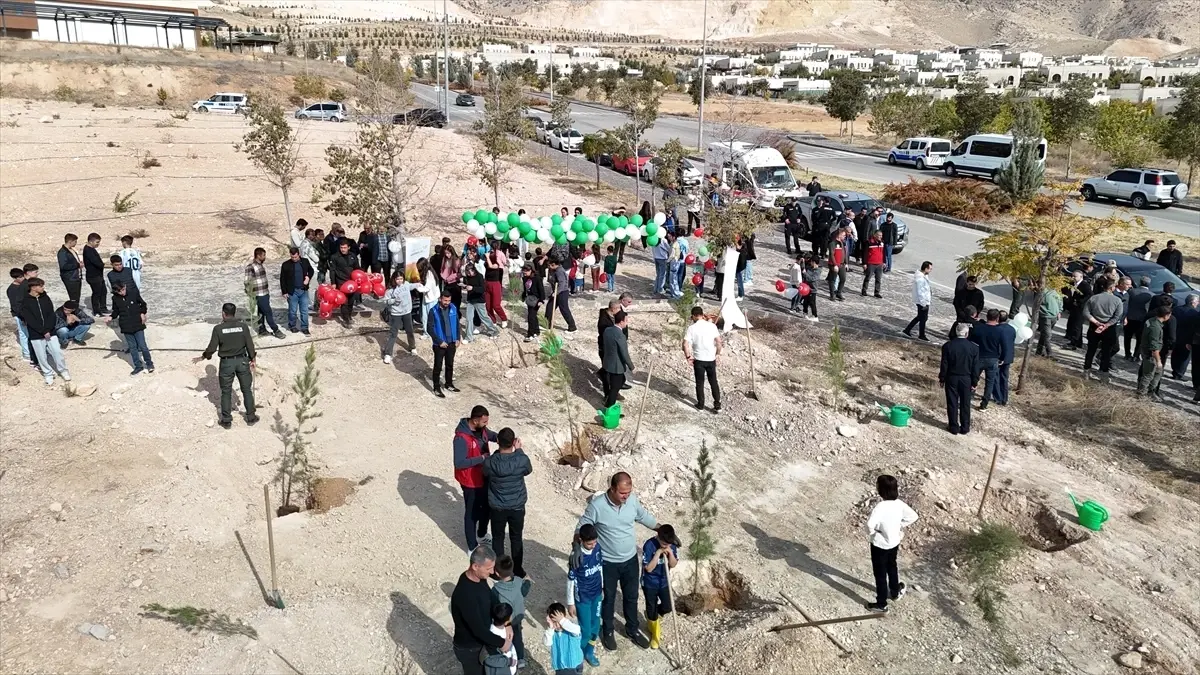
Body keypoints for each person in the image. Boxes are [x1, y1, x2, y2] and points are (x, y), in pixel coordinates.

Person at [574, 472, 658, 651]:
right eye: (622, 493)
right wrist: (576, 548)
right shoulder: (597, 506)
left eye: (628, 492)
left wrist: (663, 529)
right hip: (608, 563)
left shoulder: (632, 501)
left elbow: (643, 516)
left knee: (631, 596)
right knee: (608, 598)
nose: (625, 496)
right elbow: (582, 525)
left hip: (630, 560)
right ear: (612, 489)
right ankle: (609, 631)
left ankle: (632, 629)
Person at [451, 546, 511, 675]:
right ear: (475, 566)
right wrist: (502, 643)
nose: (492, 572)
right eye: (489, 568)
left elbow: (492, 599)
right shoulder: (465, 595)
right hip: (470, 648)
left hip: (482, 641)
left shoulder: (479, 578)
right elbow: (478, 629)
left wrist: (506, 622)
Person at [195, 303, 257, 429]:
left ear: (223, 313)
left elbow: (212, 348)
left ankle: (226, 420)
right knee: (246, 390)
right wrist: (252, 359)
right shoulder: (243, 327)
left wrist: (203, 356)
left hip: (227, 363)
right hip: (242, 361)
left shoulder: (218, 329)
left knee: (226, 392)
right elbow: (250, 345)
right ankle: (251, 417)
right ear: (234, 313)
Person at [864, 474, 918, 613]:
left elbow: (870, 524)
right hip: (894, 542)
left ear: (881, 489)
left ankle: (881, 604)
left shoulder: (880, 507)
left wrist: (874, 533)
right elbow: (913, 516)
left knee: (880, 574)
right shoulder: (899, 504)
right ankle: (895, 592)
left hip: (879, 545)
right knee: (892, 566)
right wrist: (900, 525)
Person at [484, 428, 532, 579]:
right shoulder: (521, 459)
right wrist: (518, 451)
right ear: (513, 442)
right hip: (517, 506)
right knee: (516, 537)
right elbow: (528, 470)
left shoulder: (490, 462)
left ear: (497, 441)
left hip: (497, 507)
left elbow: (485, 474)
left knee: (498, 537)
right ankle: (517, 569)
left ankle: (498, 572)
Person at [454, 405, 498, 551]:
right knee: (471, 513)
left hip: (484, 476)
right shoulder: (461, 438)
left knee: (486, 507)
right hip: (470, 482)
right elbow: (459, 463)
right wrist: (481, 458)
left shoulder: (482, 429)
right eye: (484, 422)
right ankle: (472, 547)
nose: (486, 425)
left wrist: (504, 438)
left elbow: (490, 435)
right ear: (475, 420)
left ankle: (481, 533)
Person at [20, 278, 71, 386]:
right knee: (41, 355)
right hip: (36, 333)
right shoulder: (25, 301)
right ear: (33, 287)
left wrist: (48, 329)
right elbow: (29, 319)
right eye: (41, 286)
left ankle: (63, 370)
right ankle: (48, 374)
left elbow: (51, 314)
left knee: (57, 351)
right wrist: (42, 331)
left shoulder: (45, 298)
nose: (43, 288)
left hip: (50, 331)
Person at [566, 524, 604, 669]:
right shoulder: (576, 557)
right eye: (590, 544)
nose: (593, 546)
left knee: (595, 627)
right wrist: (570, 603)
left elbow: (600, 567)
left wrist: (602, 587)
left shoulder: (598, 548)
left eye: (595, 542)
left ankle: (589, 652)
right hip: (583, 598)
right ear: (581, 540)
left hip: (596, 594)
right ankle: (577, 656)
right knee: (585, 631)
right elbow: (570, 581)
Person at [640, 524, 679, 650]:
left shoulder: (670, 546)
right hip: (650, 582)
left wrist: (670, 553)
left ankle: (655, 615)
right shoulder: (649, 545)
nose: (665, 546)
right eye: (663, 543)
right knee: (651, 608)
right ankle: (655, 634)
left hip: (664, 581)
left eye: (668, 543)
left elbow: (673, 564)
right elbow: (649, 569)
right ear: (658, 536)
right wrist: (657, 554)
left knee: (668, 606)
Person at [490, 556, 531, 670]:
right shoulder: (518, 582)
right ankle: (521, 658)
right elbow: (525, 590)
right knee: (517, 636)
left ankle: (508, 658)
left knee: (506, 637)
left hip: (505, 620)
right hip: (518, 616)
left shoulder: (496, 589)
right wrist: (527, 580)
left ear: (497, 573)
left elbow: (494, 606)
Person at [939, 322, 980, 435]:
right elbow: (975, 367)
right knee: (965, 403)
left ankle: (953, 427)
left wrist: (942, 378)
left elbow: (944, 364)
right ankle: (965, 427)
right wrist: (975, 381)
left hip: (951, 377)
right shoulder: (974, 348)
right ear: (967, 333)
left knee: (952, 402)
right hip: (966, 378)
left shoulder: (948, 346)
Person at [108, 281, 155, 375]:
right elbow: (116, 311)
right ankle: (138, 366)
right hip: (126, 325)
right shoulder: (115, 298)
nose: (122, 292)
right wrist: (111, 317)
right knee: (133, 348)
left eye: (123, 289)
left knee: (143, 346)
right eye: (120, 291)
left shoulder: (134, 293)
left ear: (125, 286)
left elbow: (143, 304)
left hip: (137, 324)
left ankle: (149, 364)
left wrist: (142, 313)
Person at [1081, 277, 1123, 382]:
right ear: (1112, 288)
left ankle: (1086, 371)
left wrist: (1096, 322)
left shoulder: (1094, 298)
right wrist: (1106, 325)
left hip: (1094, 327)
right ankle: (1103, 374)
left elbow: (1086, 312)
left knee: (1091, 350)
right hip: (1109, 329)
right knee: (1106, 352)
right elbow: (1117, 316)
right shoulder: (1117, 300)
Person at [683, 306, 722, 412]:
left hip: (699, 360)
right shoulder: (712, 326)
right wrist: (718, 354)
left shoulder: (692, 328)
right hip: (711, 359)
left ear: (694, 316)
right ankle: (717, 405)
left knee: (700, 383)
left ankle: (700, 405)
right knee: (713, 382)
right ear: (702, 314)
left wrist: (688, 357)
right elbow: (719, 342)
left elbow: (685, 344)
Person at [969, 309, 1005, 410]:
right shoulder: (999, 331)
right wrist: (1001, 358)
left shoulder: (979, 328)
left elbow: (971, 342)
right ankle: (984, 405)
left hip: (979, 357)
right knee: (989, 383)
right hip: (993, 359)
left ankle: (967, 399)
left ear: (987, 316)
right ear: (997, 318)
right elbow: (1003, 346)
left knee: (973, 378)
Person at [245, 248, 285, 339]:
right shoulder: (251, 267)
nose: (265, 257)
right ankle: (276, 330)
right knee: (268, 312)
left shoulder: (260, 265)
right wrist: (250, 293)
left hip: (265, 293)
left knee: (261, 312)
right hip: (259, 294)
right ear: (258, 256)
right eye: (263, 255)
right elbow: (247, 282)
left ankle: (262, 330)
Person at [428, 291, 462, 398]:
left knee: (449, 364)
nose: (447, 302)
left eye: (449, 300)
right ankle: (436, 387)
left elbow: (457, 324)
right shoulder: (433, 311)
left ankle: (448, 384)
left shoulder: (453, 308)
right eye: (445, 300)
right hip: (440, 344)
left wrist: (457, 338)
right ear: (440, 299)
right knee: (438, 366)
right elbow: (429, 328)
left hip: (451, 342)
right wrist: (439, 341)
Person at [462, 254, 500, 343]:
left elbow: (482, 289)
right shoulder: (467, 277)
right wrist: (464, 286)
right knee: (468, 319)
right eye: (466, 272)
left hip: (479, 301)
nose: (468, 274)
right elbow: (467, 285)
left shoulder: (479, 277)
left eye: (469, 272)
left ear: (473, 270)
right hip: (470, 300)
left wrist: (473, 288)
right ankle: (469, 337)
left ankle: (494, 331)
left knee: (484, 317)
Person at [1137, 305, 1172, 401]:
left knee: (1157, 373)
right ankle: (1142, 394)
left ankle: (1150, 392)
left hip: (1146, 351)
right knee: (1148, 375)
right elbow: (1154, 348)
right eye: (1169, 315)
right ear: (1165, 315)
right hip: (1150, 355)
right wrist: (1159, 361)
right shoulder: (1155, 327)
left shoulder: (1151, 320)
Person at [382, 270, 417, 362]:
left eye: (401, 278)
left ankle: (412, 347)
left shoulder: (406, 284)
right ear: (394, 279)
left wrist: (418, 285)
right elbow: (385, 301)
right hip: (396, 313)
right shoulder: (390, 290)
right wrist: (393, 301)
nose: (400, 281)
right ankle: (388, 354)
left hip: (407, 312)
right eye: (398, 279)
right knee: (393, 333)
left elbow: (411, 286)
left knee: (410, 331)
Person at [601, 311, 633, 409]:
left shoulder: (607, 330)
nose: (627, 323)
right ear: (621, 322)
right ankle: (609, 408)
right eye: (626, 321)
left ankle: (608, 399)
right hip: (616, 366)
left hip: (607, 362)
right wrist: (631, 366)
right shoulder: (620, 335)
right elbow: (624, 353)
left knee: (619, 381)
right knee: (615, 388)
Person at [280, 246, 314, 336]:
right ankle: (292, 326)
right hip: (292, 291)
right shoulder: (286, 265)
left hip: (303, 290)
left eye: (295, 257)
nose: (294, 259)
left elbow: (311, 270)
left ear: (299, 254)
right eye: (292, 257)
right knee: (292, 310)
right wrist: (284, 291)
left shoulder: (305, 261)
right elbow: (282, 279)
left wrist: (308, 277)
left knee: (304, 311)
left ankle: (305, 328)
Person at [544, 603, 584, 675]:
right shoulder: (552, 633)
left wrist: (562, 621)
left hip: (573, 664)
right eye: (554, 622)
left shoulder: (571, 629)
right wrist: (550, 628)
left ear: (564, 617)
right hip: (562, 666)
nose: (557, 624)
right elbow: (547, 643)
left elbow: (577, 630)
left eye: (559, 621)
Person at [328, 239, 360, 327]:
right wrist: (333, 282)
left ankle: (349, 316)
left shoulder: (353, 256)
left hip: (352, 282)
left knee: (351, 301)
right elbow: (332, 270)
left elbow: (357, 268)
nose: (343, 249)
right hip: (341, 282)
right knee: (344, 302)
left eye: (345, 248)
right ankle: (346, 320)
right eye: (341, 247)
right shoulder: (335, 257)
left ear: (348, 248)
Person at [8, 268, 33, 365]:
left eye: (22, 276)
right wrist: (22, 317)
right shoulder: (11, 290)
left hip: (26, 313)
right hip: (19, 315)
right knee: (23, 334)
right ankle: (26, 354)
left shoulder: (24, 285)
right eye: (20, 277)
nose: (23, 278)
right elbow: (15, 306)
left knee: (29, 333)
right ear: (15, 278)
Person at [1124, 276, 1153, 360]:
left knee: (1127, 337)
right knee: (1140, 339)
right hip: (1142, 319)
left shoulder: (1132, 291)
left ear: (1140, 282)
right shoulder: (1151, 295)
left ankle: (1127, 354)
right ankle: (1136, 355)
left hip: (1130, 317)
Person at [1171, 294, 1199, 380]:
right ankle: (1179, 373)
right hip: (1187, 337)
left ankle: (1175, 371)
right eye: (1197, 302)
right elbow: (1194, 328)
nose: (1198, 304)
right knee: (1184, 357)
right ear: (1192, 302)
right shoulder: (1195, 313)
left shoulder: (1177, 309)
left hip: (1176, 334)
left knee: (1175, 354)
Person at [1062, 270, 1092, 350]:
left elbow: (1089, 295)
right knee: (1073, 324)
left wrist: (1080, 302)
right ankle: (1078, 342)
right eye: (1073, 276)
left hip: (1080, 308)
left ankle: (1074, 342)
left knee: (1077, 326)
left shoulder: (1085, 285)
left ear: (1081, 277)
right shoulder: (1072, 284)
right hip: (1073, 307)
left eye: (1075, 276)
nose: (1073, 278)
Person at [903, 261, 933, 341]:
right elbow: (920, 292)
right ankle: (921, 334)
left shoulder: (924, 276)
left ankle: (908, 330)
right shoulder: (920, 278)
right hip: (922, 302)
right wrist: (924, 304)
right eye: (930, 269)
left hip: (924, 301)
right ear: (926, 268)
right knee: (922, 318)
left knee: (921, 317)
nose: (931, 270)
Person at [545, 259, 577, 333]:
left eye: (549, 265)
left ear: (554, 264)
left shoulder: (559, 271)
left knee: (564, 309)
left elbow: (562, 284)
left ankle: (572, 327)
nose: (548, 266)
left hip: (562, 292)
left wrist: (556, 293)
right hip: (556, 292)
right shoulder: (554, 270)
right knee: (550, 307)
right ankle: (547, 324)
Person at [487, 603, 519, 675]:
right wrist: (512, 662)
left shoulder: (489, 630)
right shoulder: (500, 635)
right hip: (507, 669)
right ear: (508, 619)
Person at [82, 233, 108, 316]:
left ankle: (103, 308)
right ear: (91, 241)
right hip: (93, 276)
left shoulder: (92, 249)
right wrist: (109, 265)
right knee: (97, 293)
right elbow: (97, 263)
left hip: (98, 275)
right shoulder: (88, 250)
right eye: (97, 242)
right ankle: (96, 311)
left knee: (103, 291)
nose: (98, 244)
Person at [519, 263, 546, 343]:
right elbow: (525, 289)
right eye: (524, 271)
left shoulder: (537, 278)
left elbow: (541, 290)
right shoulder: (524, 278)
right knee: (533, 316)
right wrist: (523, 296)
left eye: (527, 271)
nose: (525, 273)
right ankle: (536, 331)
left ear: (531, 271)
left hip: (536, 299)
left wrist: (541, 300)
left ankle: (530, 334)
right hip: (529, 299)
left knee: (531, 317)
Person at [995, 311, 1016, 405]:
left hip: (999, 356)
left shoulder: (997, 329)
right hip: (1008, 357)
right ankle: (1005, 398)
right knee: (1004, 378)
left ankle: (998, 397)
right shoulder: (1012, 329)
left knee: (996, 377)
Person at [1035, 286, 1063, 358]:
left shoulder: (1057, 291)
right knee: (1047, 335)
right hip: (1045, 316)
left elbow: (1060, 301)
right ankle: (1050, 353)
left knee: (1044, 334)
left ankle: (1039, 351)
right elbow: (1037, 304)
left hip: (1054, 317)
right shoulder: (1042, 291)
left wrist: (1059, 311)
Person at [484, 249, 509, 328]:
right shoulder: (486, 263)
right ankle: (493, 320)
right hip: (487, 283)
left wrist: (488, 257)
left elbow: (491, 266)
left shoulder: (497, 264)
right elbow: (487, 264)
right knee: (488, 305)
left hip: (495, 285)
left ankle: (504, 319)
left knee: (496, 305)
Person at [416, 258, 440, 339]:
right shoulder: (427, 273)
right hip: (427, 298)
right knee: (424, 316)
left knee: (431, 318)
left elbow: (427, 288)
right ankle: (426, 332)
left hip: (431, 299)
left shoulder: (429, 274)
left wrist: (417, 287)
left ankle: (431, 332)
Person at [57, 233, 83, 304]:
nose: (76, 243)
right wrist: (77, 265)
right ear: (70, 242)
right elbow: (63, 266)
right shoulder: (62, 252)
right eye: (75, 241)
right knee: (73, 297)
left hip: (76, 276)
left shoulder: (71, 250)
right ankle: (73, 311)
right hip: (70, 278)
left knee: (77, 296)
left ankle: (76, 310)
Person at [860, 231, 885, 298]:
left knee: (878, 279)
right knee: (868, 277)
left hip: (879, 263)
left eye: (881, 235)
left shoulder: (882, 243)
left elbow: (883, 253)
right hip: (871, 263)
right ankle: (864, 290)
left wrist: (884, 262)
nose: (880, 237)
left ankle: (877, 292)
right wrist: (864, 263)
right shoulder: (869, 242)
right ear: (874, 235)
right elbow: (865, 253)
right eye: (879, 235)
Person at [826, 229, 847, 302]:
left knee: (843, 279)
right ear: (839, 235)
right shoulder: (833, 243)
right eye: (844, 235)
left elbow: (845, 254)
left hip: (842, 264)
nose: (845, 236)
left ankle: (839, 292)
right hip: (834, 264)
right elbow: (832, 255)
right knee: (832, 280)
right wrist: (835, 264)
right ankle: (832, 295)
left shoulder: (842, 243)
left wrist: (846, 263)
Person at [800, 256, 821, 321]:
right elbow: (803, 268)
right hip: (806, 289)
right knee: (805, 302)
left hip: (813, 290)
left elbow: (812, 279)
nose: (810, 263)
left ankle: (815, 316)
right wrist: (802, 262)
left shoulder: (818, 271)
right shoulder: (809, 268)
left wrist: (805, 274)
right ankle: (805, 313)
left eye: (811, 262)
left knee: (812, 303)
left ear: (814, 262)